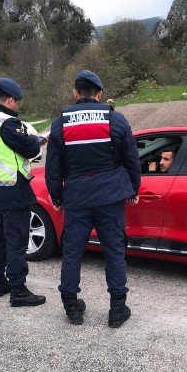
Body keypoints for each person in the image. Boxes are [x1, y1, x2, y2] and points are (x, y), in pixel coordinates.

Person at [45, 70, 141, 327]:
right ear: (99, 94)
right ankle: (117, 310)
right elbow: (132, 159)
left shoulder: (60, 123)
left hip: (76, 198)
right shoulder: (116, 120)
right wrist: (133, 189)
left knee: (72, 253)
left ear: (75, 93)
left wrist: (56, 196)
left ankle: (71, 307)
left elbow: (52, 167)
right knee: (114, 251)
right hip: (111, 197)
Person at [0, 77, 47, 307]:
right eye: (17, 103)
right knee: (17, 241)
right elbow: (30, 148)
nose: (17, 107)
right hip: (14, 189)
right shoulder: (8, 123)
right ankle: (18, 290)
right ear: (10, 100)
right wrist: (36, 139)